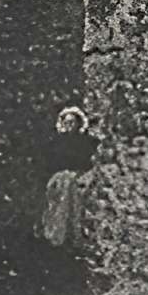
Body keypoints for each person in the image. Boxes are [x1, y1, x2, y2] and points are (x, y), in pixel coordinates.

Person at [39, 107, 98, 251]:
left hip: (80, 178)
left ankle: (77, 239)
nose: (69, 126)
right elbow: (49, 162)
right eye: (66, 122)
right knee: (58, 206)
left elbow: (91, 161)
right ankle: (57, 238)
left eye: (73, 122)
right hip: (59, 178)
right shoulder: (56, 143)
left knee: (77, 208)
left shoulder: (87, 142)